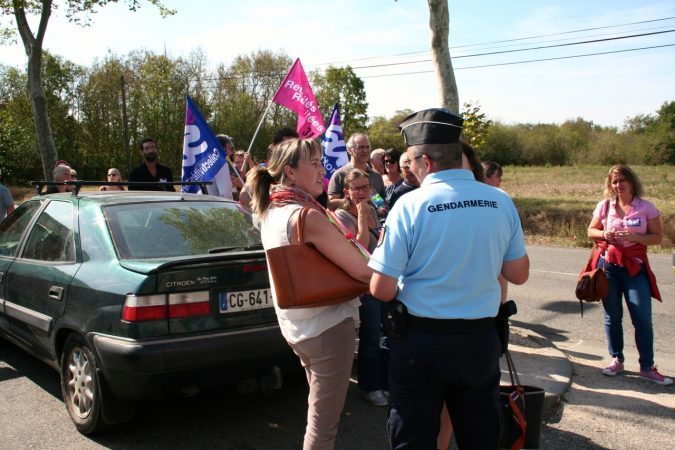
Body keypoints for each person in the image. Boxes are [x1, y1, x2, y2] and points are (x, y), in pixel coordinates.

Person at [368, 108, 530, 449]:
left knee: (414, 436)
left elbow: (381, 289)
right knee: (481, 435)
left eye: (410, 163)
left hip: (420, 343)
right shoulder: (500, 201)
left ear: (425, 161)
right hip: (479, 341)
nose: (408, 169)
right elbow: (518, 273)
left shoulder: (409, 206)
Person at [246, 138, 372, 449]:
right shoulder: (308, 216)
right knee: (323, 427)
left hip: (299, 327)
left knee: (320, 417)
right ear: (289, 171)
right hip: (328, 326)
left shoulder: (271, 209)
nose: (322, 169)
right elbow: (361, 270)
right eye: (314, 163)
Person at [587, 164, 670, 385]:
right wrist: (605, 233)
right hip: (610, 267)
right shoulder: (605, 206)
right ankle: (616, 359)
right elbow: (590, 231)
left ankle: (647, 367)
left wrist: (635, 236)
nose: (618, 185)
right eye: (614, 182)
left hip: (635, 267)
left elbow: (657, 237)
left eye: (622, 180)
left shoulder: (646, 208)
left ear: (631, 182)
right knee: (612, 316)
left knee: (642, 318)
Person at [333, 169, 388, 407]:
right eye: (356, 188)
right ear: (346, 191)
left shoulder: (375, 208)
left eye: (366, 187)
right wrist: (363, 220)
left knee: (387, 336)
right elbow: (360, 250)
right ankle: (370, 386)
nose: (362, 192)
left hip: (384, 281)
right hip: (364, 287)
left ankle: (385, 381)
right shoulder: (341, 215)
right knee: (370, 338)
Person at [327, 133, 386, 215]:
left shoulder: (376, 176)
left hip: (374, 225)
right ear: (350, 150)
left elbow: (380, 203)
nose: (365, 150)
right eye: (361, 147)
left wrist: (381, 207)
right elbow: (330, 204)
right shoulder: (340, 174)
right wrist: (353, 200)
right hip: (350, 225)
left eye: (367, 147)